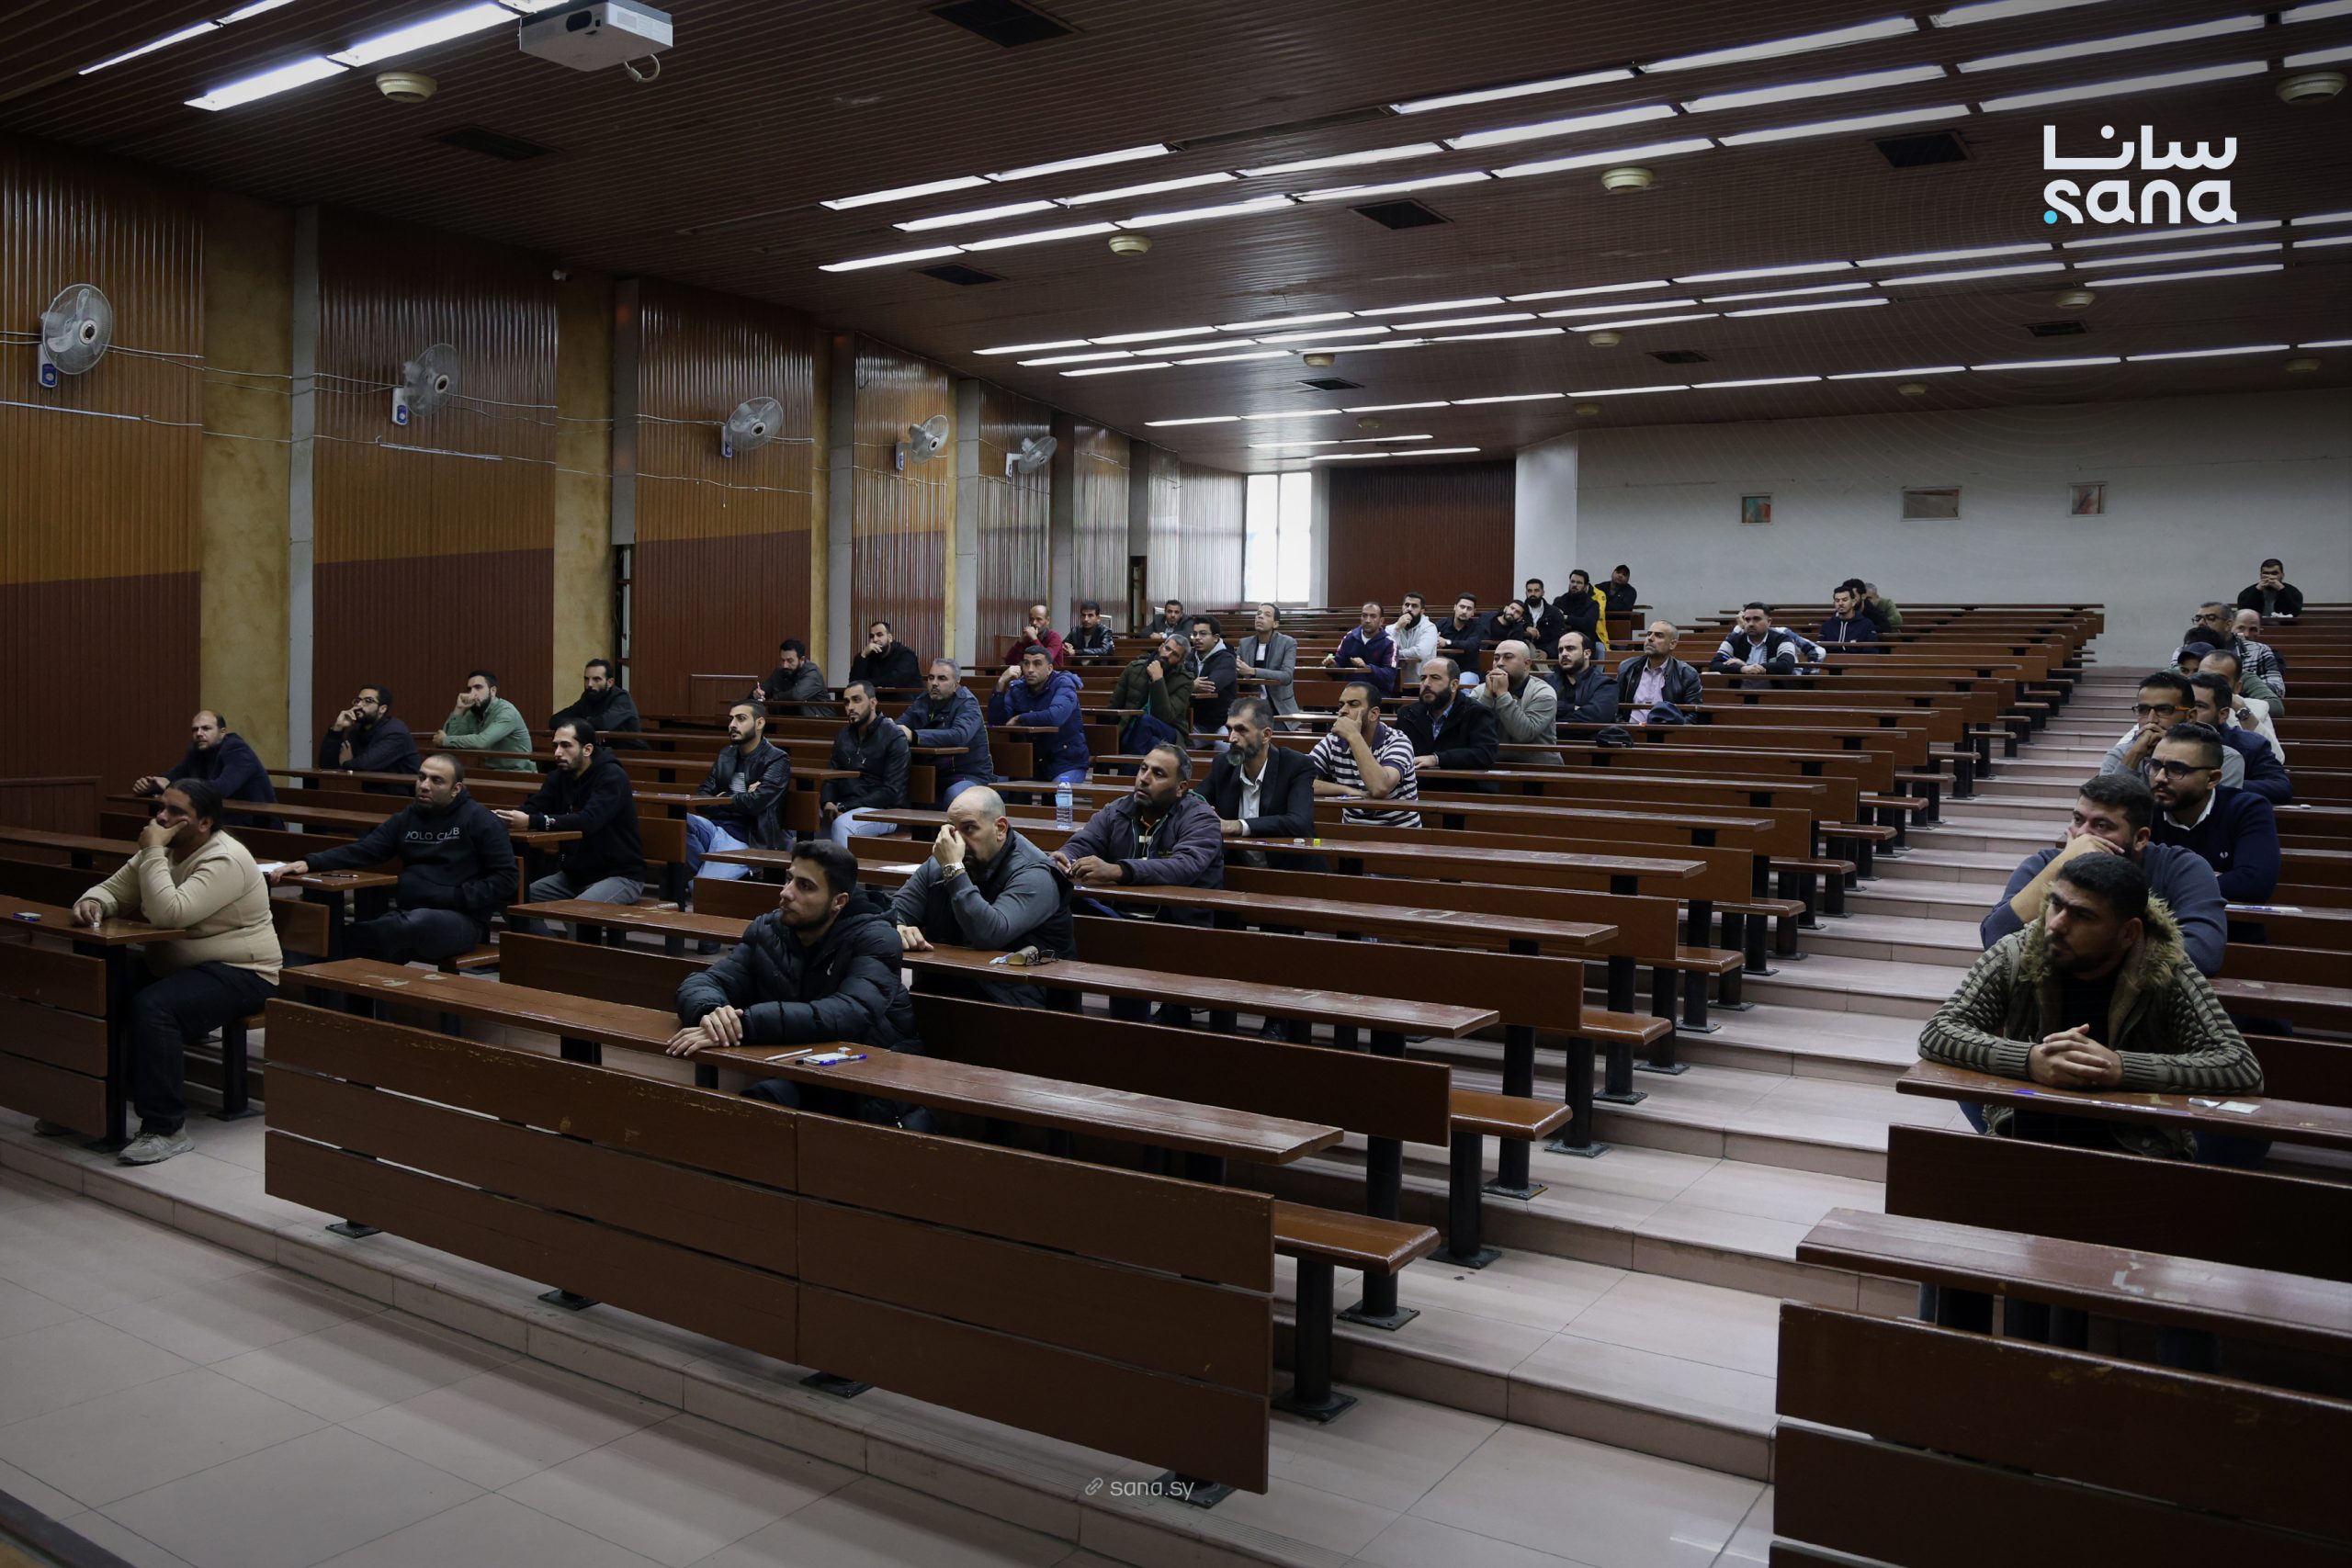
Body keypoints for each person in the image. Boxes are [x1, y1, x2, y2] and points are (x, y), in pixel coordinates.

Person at [1922, 852, 2258, 1161]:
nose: (2056, 924)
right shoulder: (2019, 951)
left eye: (2082, 915)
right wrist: (2029, 1060)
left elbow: (2240, 1066)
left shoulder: (2164, 967)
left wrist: (2120, 1068)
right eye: (2055, 904)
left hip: (2136, 1149)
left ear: (2128, 933)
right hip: (2026, 1135)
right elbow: (1939, 1031)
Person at [67, 780, 279, 1166]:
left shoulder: (224, 858)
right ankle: (85, 1102)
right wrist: (93, 901)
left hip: (243, 971)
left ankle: (165, 1129)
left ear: (204, 823)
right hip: (179, 965)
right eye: (161, 808)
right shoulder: (164, 848)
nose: (162, 817)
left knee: (156, 1007)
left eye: (176, 812)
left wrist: (151, 850)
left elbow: (171, 914)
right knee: (94, 982)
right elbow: (115, 890)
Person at [665, 840, 924, 1128]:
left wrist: (744, 1025)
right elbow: (707, 981)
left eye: (805, 886)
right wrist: (713, 1014)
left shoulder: (877, 938)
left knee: (764, 1108)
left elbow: (849, 1012)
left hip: (872, 1076)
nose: (786, 892)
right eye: (789, 879)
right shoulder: (769, 930)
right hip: (802, 1063)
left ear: (838, 902)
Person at [270, 754, 515, 964]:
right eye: (421, 777)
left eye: (436, 780)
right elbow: (366, 849)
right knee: (353, 937)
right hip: (407, 913)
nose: (424, 786)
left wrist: (457, 896)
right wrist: (312, 862)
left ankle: (325, 960)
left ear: (456, 789)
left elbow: (507, 878)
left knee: (400, 927)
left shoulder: (481, 820)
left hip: (462, 921)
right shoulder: (409, 817)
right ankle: (322, 985)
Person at [1980, 773, 2225, 976]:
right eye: (2078, 820)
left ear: (2140, 838)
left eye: (2101, 825)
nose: (2082, 836)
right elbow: (1994, 937)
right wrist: (2062, 865)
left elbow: (2203, 954)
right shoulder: (2044, 865)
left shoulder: (2182, 868)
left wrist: (2091, 957)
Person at [1056, 743, 1223, 1023]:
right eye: (1143, 769)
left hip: (1177, 929)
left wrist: (1118, 871)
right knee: (1059, 911)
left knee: (1127, 945)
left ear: (1181, 788)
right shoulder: (1117, 810)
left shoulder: (1201, 818)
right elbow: (1083, 843)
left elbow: (1183, 867)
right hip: (1119, 920)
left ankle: (1136, 1027)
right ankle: (1066, 1020)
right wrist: (1064, 857)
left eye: (1158, 774)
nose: (1144, 778)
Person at [889, 785, 1072, 1006]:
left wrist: (953, 869)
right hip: (945, 991)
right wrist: (897, 926)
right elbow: (893, 912)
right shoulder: (942, 864)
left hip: (1021, 1004)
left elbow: (989, 933)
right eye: (952, 831)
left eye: (969, 829)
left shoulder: (1035, 874)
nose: (958, 842)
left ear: (1000, 828)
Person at [502, 720, 642, 922]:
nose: (558, 753)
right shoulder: (559, 777)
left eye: (566, 745)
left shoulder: (612, 776)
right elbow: (533, 807)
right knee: (512, 901)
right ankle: (547, 942)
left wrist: (533, 821)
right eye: (555, 746)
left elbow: (588, 821)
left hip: (619, 876)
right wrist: (503, 818)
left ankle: (575, 944)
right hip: (573, 876)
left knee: (576, 914)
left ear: (587, 749)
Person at [2148, 724, 2279, 906]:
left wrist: (2163, 882)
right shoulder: (2142, 808)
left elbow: (2254, 884)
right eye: (2155, 766)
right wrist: (2209, 879)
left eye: (2177, 769)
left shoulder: (2247, 808)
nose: (2159, 778)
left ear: (2212, 779)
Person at [2100, 671, 2253, 790]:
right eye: (2143, 710)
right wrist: (2133, 757)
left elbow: (2213, 813)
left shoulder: (2226, 759)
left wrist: (2174, 749)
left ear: (2190, 716)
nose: (2151, 719)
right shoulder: (2122, 755)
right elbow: (2105, 809)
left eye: (2164, 710)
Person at [1202, 698, 1317, 849]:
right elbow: (1195, 799)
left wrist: (1236, 826)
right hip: (1236, 862)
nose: (1231, 738)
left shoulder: (1296, 766)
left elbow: (1299, 822)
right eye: (1230, 729)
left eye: (1241, 730)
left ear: (1266, 735)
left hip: (1287, 861)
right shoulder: (1222, 765)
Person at [1309, 680, 1420, 828]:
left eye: (1353, 704)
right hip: (1352, 831)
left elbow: (1380, 787)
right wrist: (1347, 790)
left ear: (1373, 714)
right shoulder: (1333, 741)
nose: (1343, 711)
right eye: (1341, 705)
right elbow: (1299, 779)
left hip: (1401, 833)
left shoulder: (1397, 741)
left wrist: (1354, 736)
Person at [694, 700, 794, 859]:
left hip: (749, 838)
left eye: (740, 719)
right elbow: (701, 798)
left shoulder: (776, 759)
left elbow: (756, 803)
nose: (732, 725)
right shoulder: (726, 754)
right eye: (731, 719)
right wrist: (740, 799)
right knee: (683, 823)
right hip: (717, 828)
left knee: (700, 875)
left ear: (759, 723)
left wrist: (722, 798)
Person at [822, 680, 910, 846]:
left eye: (857, 700)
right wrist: (828, 802)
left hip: (884, 811)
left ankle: (843, 865)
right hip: (845, 806)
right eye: (846, 702)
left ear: (873, 703)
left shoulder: (893, 736)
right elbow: (831, 776)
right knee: (803, 817)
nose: (850, 707)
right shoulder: (843, 735)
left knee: (842, 825)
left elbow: (891, 791)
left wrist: (845, 807)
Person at [896, 658, 991, 806]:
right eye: (931, 678)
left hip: (968, 775)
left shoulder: (968, 703)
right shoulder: (923, 700)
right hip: (932, 773)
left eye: (942, 678)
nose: (934, 683)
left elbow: (959, 736)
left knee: (955, 795)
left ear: (956, 685)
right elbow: (900, 725)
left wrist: (915, 736)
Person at [989, 643, 1090, 784]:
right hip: (1030, 763)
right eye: (1026, 664)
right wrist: (1000, 685)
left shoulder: (1064, 684)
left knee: (1060, 790)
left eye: (1037, 664)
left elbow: (1055, 717)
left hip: (1066, 762)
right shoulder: (1018, 687)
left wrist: (1021, 718)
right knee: (995, 785)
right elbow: (997, 724)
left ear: (1049, 669)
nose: (1030, 670)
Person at [2188, 674, 2290, 805]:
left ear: (2223, 715)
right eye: (2186, 704)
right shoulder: (2165, 737)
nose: (2190, 713)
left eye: (2199, 706)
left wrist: (2226, 782)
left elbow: (2281, 789)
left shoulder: (2250, 745)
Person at [135, 712, 276, 806]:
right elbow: (172, 776)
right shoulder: (196, 750)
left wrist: (169, 786)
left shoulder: (237, 750)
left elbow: (221, 789)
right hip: (222, 819)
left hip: (255, 824)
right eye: (195, 730)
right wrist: (150, 785)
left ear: (222, 733)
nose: (199, 733)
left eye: (206, 728)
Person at [1399, 656, 1499, 786]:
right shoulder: (1408, 714)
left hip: (1464, 790)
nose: (1426, 684)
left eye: (1435, 678)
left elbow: (1484, 755)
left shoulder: (1477, 713)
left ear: (1453, 685)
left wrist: (1437, 759)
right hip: (1417, 789)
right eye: (1423, 678)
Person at [1475, 639, 1559, 765]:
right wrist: (1487, 696)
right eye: (1496, 658)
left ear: (1527, 664)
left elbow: (1524, 734)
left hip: (1538, 768)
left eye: (1508, 657)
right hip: (1492, 765)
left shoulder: (1543, 692)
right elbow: (1470, 730)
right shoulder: (1480, 690)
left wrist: (1502, 694)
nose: (1499, 663)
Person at [435, 670, 532, 773]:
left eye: (478, 687)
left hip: (518, 773)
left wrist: (445, 740)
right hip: (490, 772)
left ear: (493, 691)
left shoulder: (506, 711)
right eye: (469, 689)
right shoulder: (473, 713)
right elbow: (449, 738)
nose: (472, 693)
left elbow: (482, 742)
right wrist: (459, 709)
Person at [1111, 633, 1193, 753]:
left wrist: (1158, 680)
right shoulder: (1134, 668)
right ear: (1161, 647)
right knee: (1153, 743)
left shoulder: (1185, 681)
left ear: (1180, 661)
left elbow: (1165, 717)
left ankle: (1131, 765)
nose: (1167, 655)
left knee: (1145, 721)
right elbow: (1115, 705)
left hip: (1168, 730)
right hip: (1133, 727)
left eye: (1175, 654)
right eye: (1167, 648)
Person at [317, 685, 420, 780]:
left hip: (399, 790)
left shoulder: (396, 732)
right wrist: (337, 728)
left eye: (368, 701)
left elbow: (366, 765)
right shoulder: (356, 731)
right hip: (367, 787)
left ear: (382, 709)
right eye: (358, 701)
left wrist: (346, 763)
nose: (359, 705)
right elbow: (327, 765)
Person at [1617, 621, 1703, 725]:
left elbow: (1693, 715)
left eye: (1659, 635)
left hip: (1667, 732)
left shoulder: (1686, 674)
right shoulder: (1627, 667)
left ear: (1672, 644)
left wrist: (1671, 730)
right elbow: (1614, 707)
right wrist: (1623, 727)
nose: (1650, 638)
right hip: (1629, 730)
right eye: (1649, 634)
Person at [548, 658, 645, 748]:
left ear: (610, 682)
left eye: (596, 679)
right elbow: (555, 720)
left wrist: (580, 723)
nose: (589, 684)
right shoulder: (588, 697)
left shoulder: (622, 698)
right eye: (586, 679)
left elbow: (603, 724)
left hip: (631, 752)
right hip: (600, 751)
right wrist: (589, 725)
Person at [1710, 603, 1821, 679]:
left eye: (1756, 619)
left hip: (1775, 694)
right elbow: (1715, 664)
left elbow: (1785, 666)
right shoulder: (1733, 640)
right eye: (1747, 619)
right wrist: (1743, 669)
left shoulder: (1782, 639)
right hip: (1739, 692)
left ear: (1769, 622)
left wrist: (1746, 666)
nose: (1751, 624)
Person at [1234, 603, 1298, 717]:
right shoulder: (1244, 643)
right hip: (1250, 706)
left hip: (1279, 707)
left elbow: (1286, 676)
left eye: (1267, 615)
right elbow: (1235, 670)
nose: (1260, 616)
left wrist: (1253, 671)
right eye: (1258, 614)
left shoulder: (1287, 643)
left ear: (1275, 624)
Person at [1324, 602, 1398, 697]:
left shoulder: (1389, 643)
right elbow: (1339, 666)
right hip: (1350, 692)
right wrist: (1332, 666)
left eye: (1373, 616)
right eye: (1364, 615)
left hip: (1376, 694)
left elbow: (1389, 675)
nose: (1367, 620)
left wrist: (1367, 667)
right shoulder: (1350, 637)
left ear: (1381, 621)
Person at [1185, 615, 1238, 738]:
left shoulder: (1227, 658)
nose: (1197, 638)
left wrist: (1188, 685)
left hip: (1222, 723)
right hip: (1193, 722)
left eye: (1203, 634)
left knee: (1225, 746)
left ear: (1215, 638)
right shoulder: (1189, 657)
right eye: (1194, 634)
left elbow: (1210, 685)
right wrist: (1192, 685)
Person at [1552, 629, 1618, 726]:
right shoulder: (1547, 682)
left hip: (1589, 735)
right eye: (1560, 650)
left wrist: (1555, 719)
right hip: (1552, 735)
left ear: (1587, 653)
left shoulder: (1605, 684)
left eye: (1570, 648)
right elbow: (1538, 712)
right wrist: (1572, 708)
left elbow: (1597, 717)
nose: (1564, 654)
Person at [750, 638, 827, 717]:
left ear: (802, 659)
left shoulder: (812, 672)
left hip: (818, 719)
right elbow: (765, 688)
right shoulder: (780, 671)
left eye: (790, 661)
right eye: (783, 660)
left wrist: (775, 696)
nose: (785, 665)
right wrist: (757, 693)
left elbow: (797, 695)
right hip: (789, 718)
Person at [847, 620, 922, 692]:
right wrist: (863, 655)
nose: (875, 639)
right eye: (871, 636)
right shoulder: (869, 655)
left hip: (909, 698)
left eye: (879, 635)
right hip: (879, 697)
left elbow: (895, 680)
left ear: (890, 638)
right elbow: (853, 683)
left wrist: (865, 684)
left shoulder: (906, 654)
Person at [2229, 608, 2288, 694]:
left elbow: (2276, 688)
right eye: (2241, 628)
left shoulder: (2270, 654)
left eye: (2253, 629)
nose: (2246, 634)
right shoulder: (2219, 649)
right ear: (2230, 627)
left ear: (2260, 630)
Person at [1388, 592, 1438, 689]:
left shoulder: (1429, 628)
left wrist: (1397, 653)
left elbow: (1420, 653)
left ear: (1422, 611)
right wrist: (1397, 629)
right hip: (1395, 683)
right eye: (1407, 605)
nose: (1409, 609)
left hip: (1422, 683)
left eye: (1414, 606)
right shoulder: (1391, 629)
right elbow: (1385, 650)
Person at [1435, 593, 1488, 673]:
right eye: (1462, 607)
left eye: (1469, 609)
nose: (1464, 611)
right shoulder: (1442, 624)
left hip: (1468, 670)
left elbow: (1471, 645)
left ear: (1473, 612)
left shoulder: (1478, 626)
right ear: (1455, 607)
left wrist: (1446, 642)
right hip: (1443, 669)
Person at [2237, 558, 2302, 620]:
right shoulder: (2247, 592)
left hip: (2284, 627)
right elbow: (2243, 614)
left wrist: (2282, 590)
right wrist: (2257, 591)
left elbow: (2294, 613)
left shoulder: (2293, 592)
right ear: (2261, 575)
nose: (2270, 577)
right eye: (2266, 573)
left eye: (2274, 573)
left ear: (2282, 575)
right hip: (2257, 626)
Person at [1817, 584, 1879, 649]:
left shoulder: (1866, 624)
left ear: (1853, 602)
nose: (1840, 603)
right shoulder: (1827, 625)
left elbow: (1871, 651)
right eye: (1837, 601)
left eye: (1845, 600)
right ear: (1834, 603)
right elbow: (1821, 650)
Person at [1555, 571, 1601, 651]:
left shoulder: (1592, 604)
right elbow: (1553, 620)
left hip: (1583, 645)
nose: (1574, 585)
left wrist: (1566, 618)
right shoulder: (1559, 601)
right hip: (1560, 642)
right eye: (1572, 581)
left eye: (1579, 583)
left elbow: (1587, 624)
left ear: (1585, 586)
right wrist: (1575, 622)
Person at [1067, 600, 1118, 665]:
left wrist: (1077, 652)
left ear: (1098, 618)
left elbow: (1104, 650)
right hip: (1077, 669)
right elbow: (1063, 645)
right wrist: (1066, 646)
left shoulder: (1105, 631)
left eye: (1090, 615)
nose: (1086, 619)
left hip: (1099, 669)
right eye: (1083, 615)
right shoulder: (1075, 631)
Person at [1021, 604, 1069, 668]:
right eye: (1031, 619)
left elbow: (1048, 658)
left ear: (1047, 621)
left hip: (1053, 673)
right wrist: (1020, 641)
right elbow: (1010, 661)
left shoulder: (1055, 637)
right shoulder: (1028, 638)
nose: (1034, 623)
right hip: (1032, 673)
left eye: (1039, 619)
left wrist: (1034, 639)